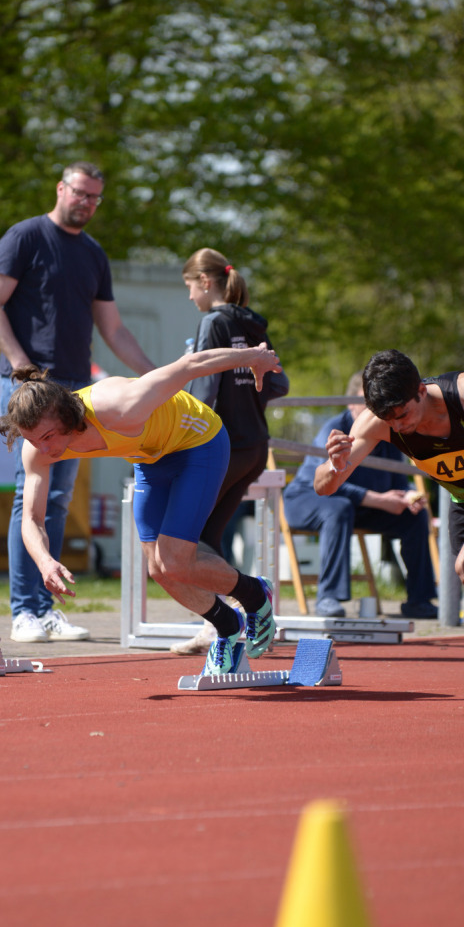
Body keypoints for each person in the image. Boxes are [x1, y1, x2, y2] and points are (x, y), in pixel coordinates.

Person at [0, 341, 282, 674]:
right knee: (158, 569)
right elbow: (31, 517)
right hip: (150, 458)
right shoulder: (37, 450)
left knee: (175, 559)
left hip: (199, 443)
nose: (43, 449)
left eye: (47, 437)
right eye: (32, 440)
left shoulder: (118, 404)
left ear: (66, 415)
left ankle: (255, 594)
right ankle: (228, 625)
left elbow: (190, 365)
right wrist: (44, 562)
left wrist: (254, 356)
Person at [0, 161, 155, 644]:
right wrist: (21, 365)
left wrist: (155, 376)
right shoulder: (26, 237)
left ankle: (45, 608)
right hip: (30, 386)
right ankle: (24, 611)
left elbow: (113, 328)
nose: (87, 203)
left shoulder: (93, 253)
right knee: (30, 494)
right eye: (81, 193)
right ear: (61, 188)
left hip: (76, 389)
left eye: (95, 197)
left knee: (57, 498)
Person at [314, 349, 464, 630]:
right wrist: (335, 465)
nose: (398, 426)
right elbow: (323, 487)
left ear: (421, 391)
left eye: (403, 414)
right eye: (388, 419)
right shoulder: (376, 423)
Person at [171, 248, 289, 654]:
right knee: (207, 535)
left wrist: (178, 436)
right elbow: (279, 382)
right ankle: (225, 619)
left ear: (206, 282)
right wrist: (247, 392)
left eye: (190, 286)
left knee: (187, 539)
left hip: (222, 447)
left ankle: (240, 605)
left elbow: (202, 391)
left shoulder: (213, 322)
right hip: (255, 445)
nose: (190, 296)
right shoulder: (253, 321)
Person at [284, 371, 436, 619]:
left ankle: (419, 601)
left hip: (358, 507)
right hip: (308, 500)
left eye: (376, 403)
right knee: (338, 507)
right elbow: (326, 483)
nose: (371, 410)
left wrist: (408, 496)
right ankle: (328, 597)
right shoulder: (334, 429)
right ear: (350, 403)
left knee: (414, 516)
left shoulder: (387, 428)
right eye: (366, 402)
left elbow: (398, 481)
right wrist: (380, 500)